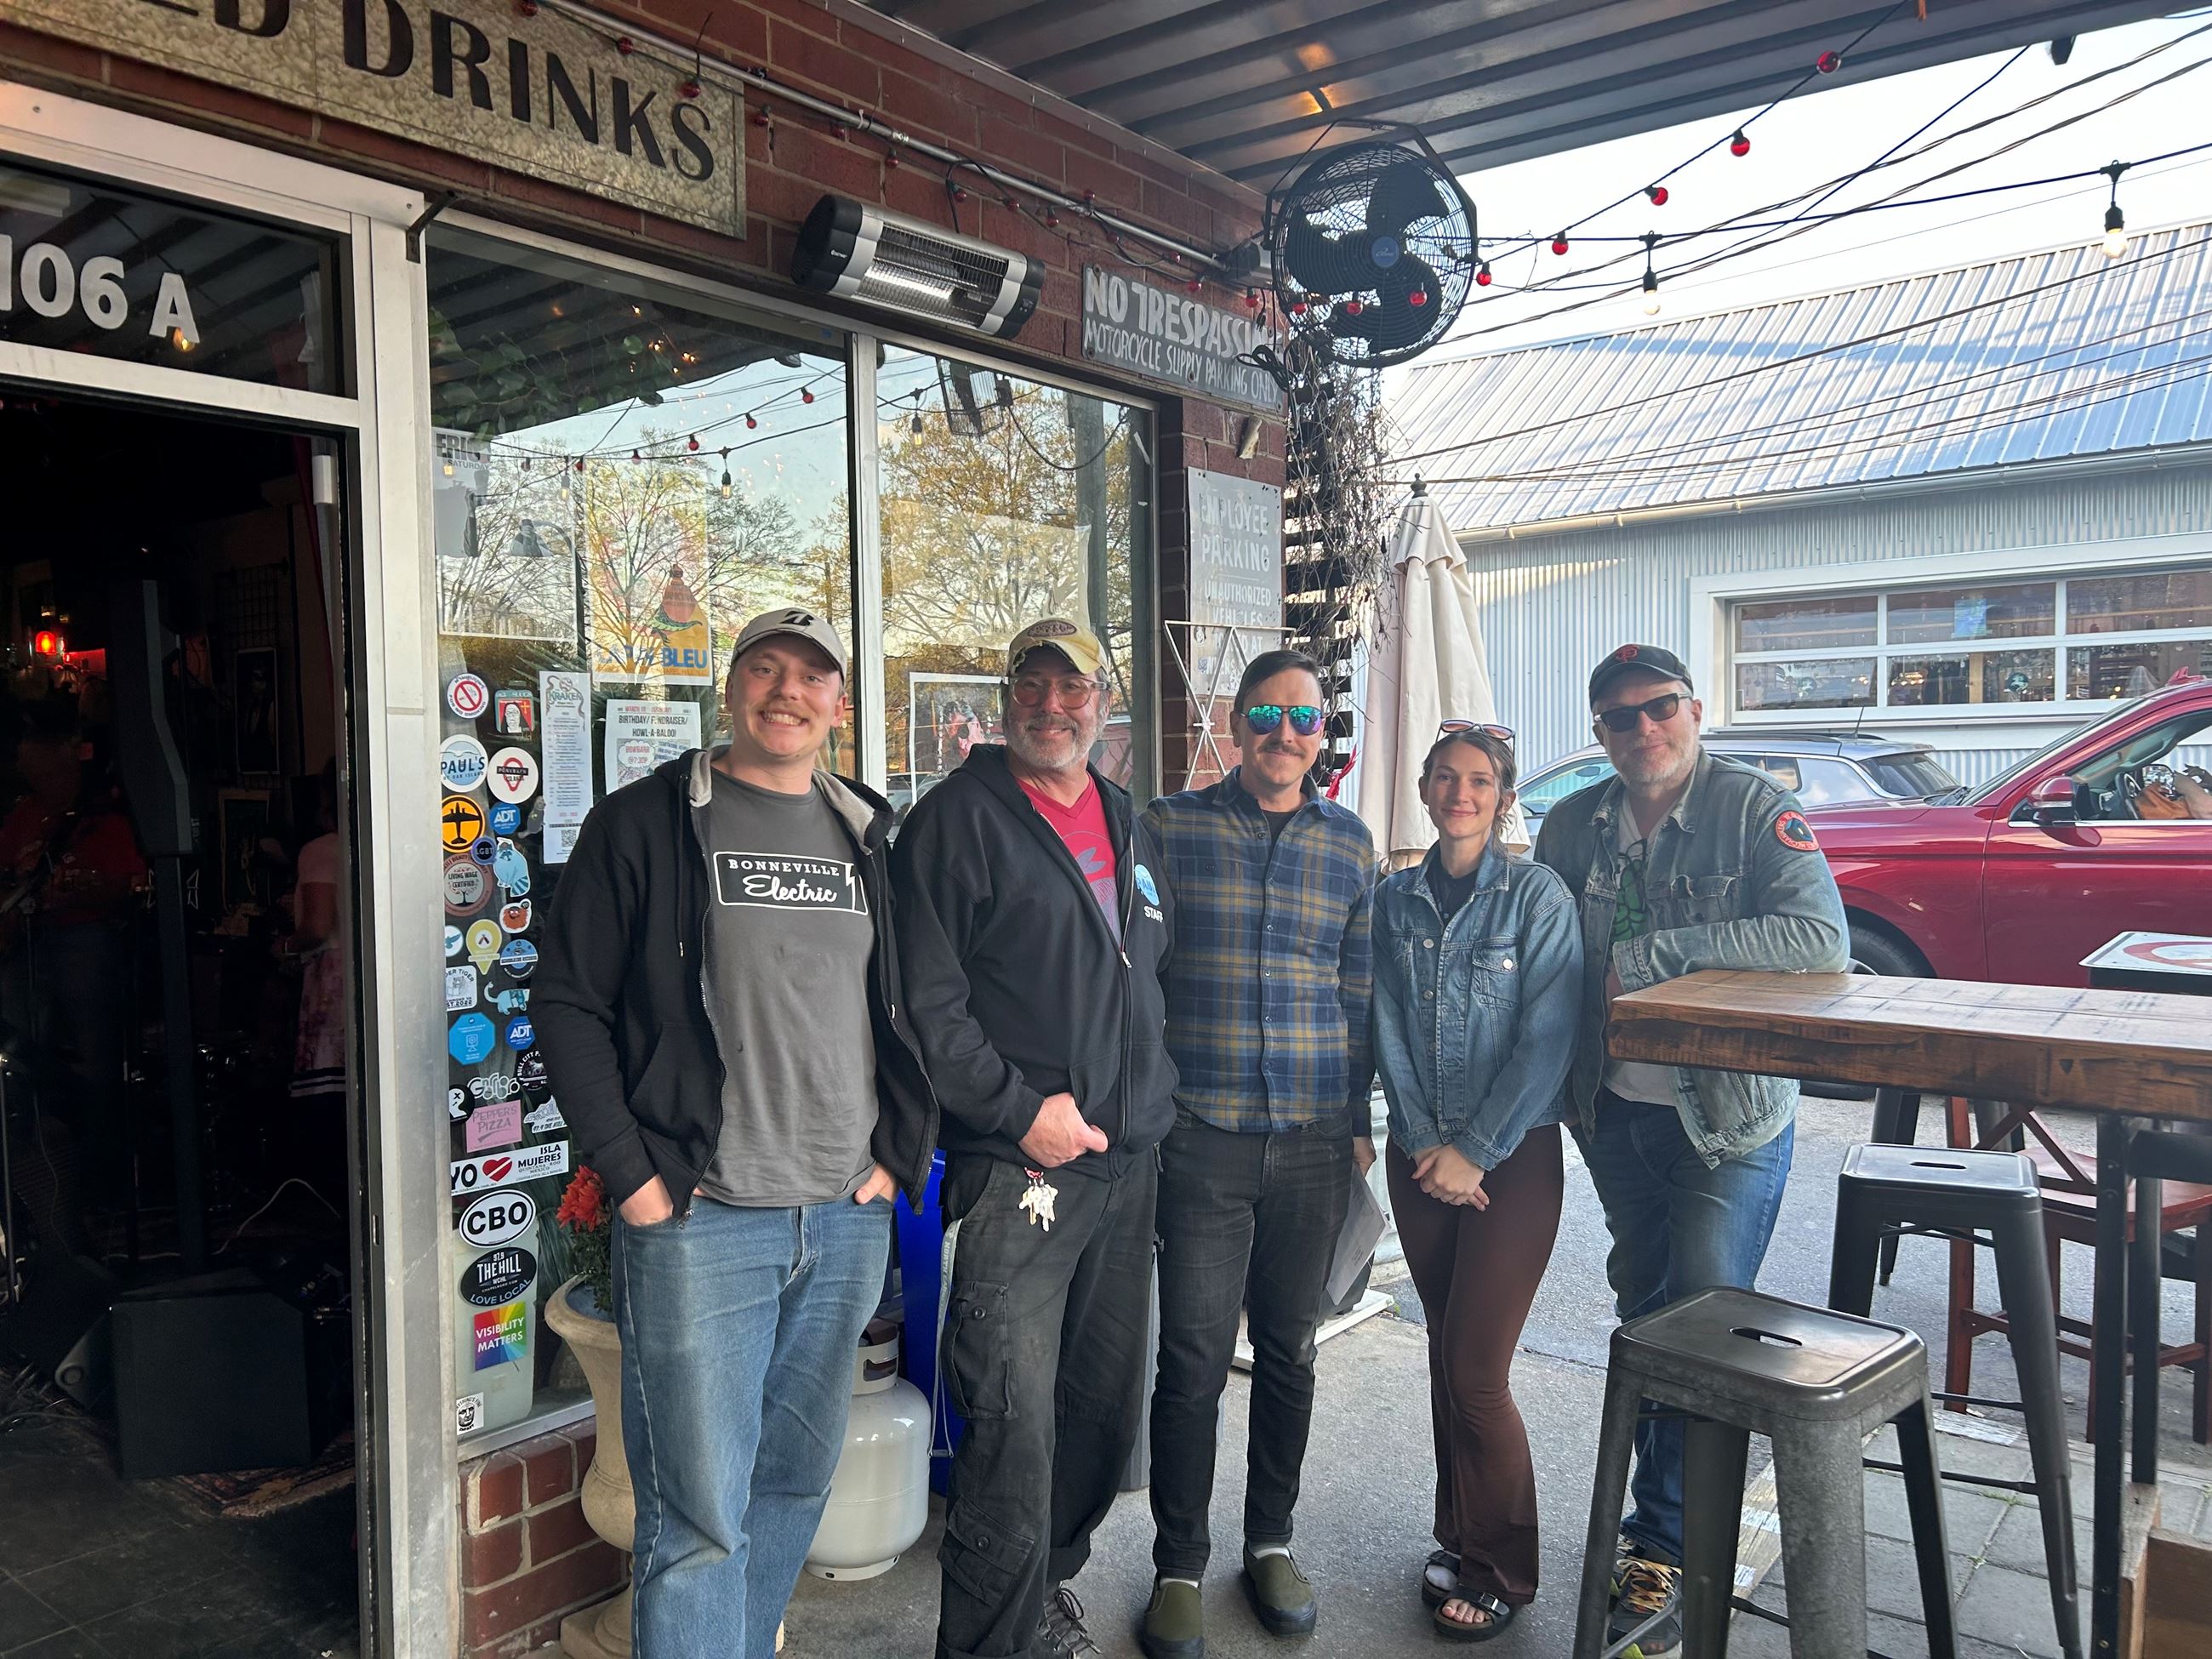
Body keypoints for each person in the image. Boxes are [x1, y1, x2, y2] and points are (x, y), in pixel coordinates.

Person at [534, 608, 938, 1658]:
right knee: (698, 1518)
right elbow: (569, 1004)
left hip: (842, 1216)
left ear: (839, 706)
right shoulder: (648, 824)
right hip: (699, 1220)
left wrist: (900, 1154)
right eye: (766, 669)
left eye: (812, 677)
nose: (787, 692)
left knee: (796, 1480)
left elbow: (915, 1003)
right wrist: (632, 1178)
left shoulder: (870, 832)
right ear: (732, 687)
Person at [1534, 645, 1847, 1659]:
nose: (1640, 731)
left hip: (1730, 1118)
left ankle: (1665, 1546)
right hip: (1614, 1111)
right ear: (1598, 735)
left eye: (1657, 709)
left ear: (1694, 709)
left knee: (1700, 1324)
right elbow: (1544, 959)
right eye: (1616, 719)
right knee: (1648, 1314)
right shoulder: (1571, 822)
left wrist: (1652, 957)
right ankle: (1669, 1528)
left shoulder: (1751, 810)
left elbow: (1817, 939)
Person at [891, 618, 1177, 1659]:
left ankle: (1046, 1589)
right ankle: (984, 1643)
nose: (1051, 705)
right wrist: (1020, 1113)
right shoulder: (955, 821)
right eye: (1032, 683)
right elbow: (927, 1006)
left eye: (1073, 686)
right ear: (1005, 694)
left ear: (1102, 703)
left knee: (1097, 1407)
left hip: (1125, 1162)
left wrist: (1155, 1100)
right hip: (1022, 1170)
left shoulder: (1120, 813)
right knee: (1010, 1420)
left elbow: (1142, 971)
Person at [1136, 647, 1376, 1658]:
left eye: (1304, 719)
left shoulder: (1351, 847)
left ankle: (1267, 1542)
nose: (1285, 734)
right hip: (1202, 1139)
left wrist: (1360, 1123)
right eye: (1266, 715)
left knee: (1289, 1354)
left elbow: (1357, 995)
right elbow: (1131, 978)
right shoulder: (1166, 830)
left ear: (1324, 737)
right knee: (1190, 1361)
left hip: (1316, 1144)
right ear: (1233, 726)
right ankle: (1177, 1565)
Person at [1371, 723, 1580, 1643]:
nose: (1461, 793)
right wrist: (1425, 1145)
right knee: (1443, 1354)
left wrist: (1475, 1151)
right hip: (1422, 1162)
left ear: (1502, 798)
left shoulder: (1535, 898)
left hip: (1513, 1158)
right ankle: (1456, 1535)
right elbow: (1382, 1025)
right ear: (1423, 789)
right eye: (1446, 778)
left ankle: (1503, 1567)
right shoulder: (1392, 902)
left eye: (1480, 780)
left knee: (1475, 1369)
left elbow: (1549, 1038)